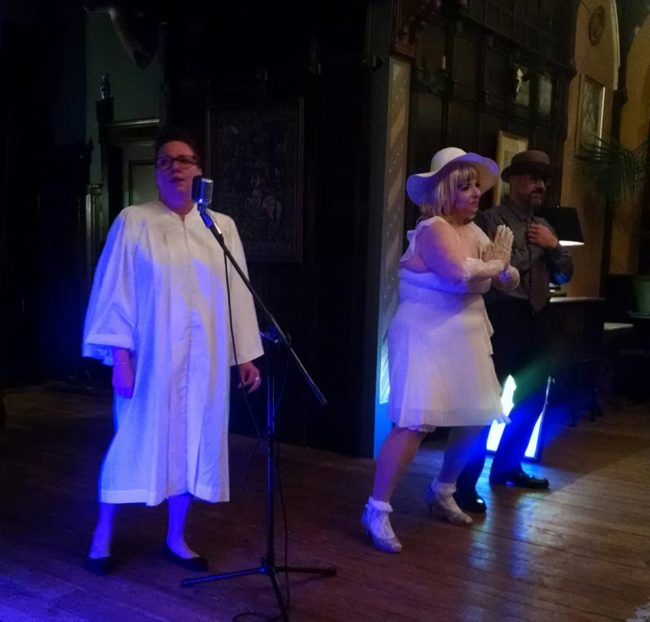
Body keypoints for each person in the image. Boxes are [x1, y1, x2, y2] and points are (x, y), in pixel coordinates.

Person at [82, 128, 264, 575]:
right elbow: (114, 292)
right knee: (133, 440)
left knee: (192, 440)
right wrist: (119, 359)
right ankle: (103, 534)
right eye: (166, 161)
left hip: (204, 359)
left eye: (184, 160)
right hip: (151, 359)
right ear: (157, 172)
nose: (176, 167)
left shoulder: (220, 226)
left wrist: (245, 354)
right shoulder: (134, 221)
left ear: (199, 169)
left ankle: (176, 536)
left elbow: (236, 292)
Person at [361, 147, 520, 554]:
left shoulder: (474, 230)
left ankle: (443, 488)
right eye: (464, 186)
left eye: (476, 186)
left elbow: (510, 278)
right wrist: (495, 265)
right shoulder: (432, 228)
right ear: (444, 191)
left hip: (466, 334)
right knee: (414, 423)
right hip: (425, 335)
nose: (475, 194)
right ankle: (377, 507)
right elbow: (457, 273)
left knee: (476, 418)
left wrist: (502, 266)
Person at [454, 149, 574, 514]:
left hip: (538, 318)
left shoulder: (547, 226)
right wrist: (540, 249)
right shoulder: (491, 220)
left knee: (534, 398)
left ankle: (507, 467)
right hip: (502, 318)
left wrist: (553, 246)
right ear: (512, 181)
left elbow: (565, 273)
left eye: (543, 180)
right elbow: (496, 271)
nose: (539, 185)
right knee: (486, 402)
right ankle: (462, 485)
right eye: (531, 178)